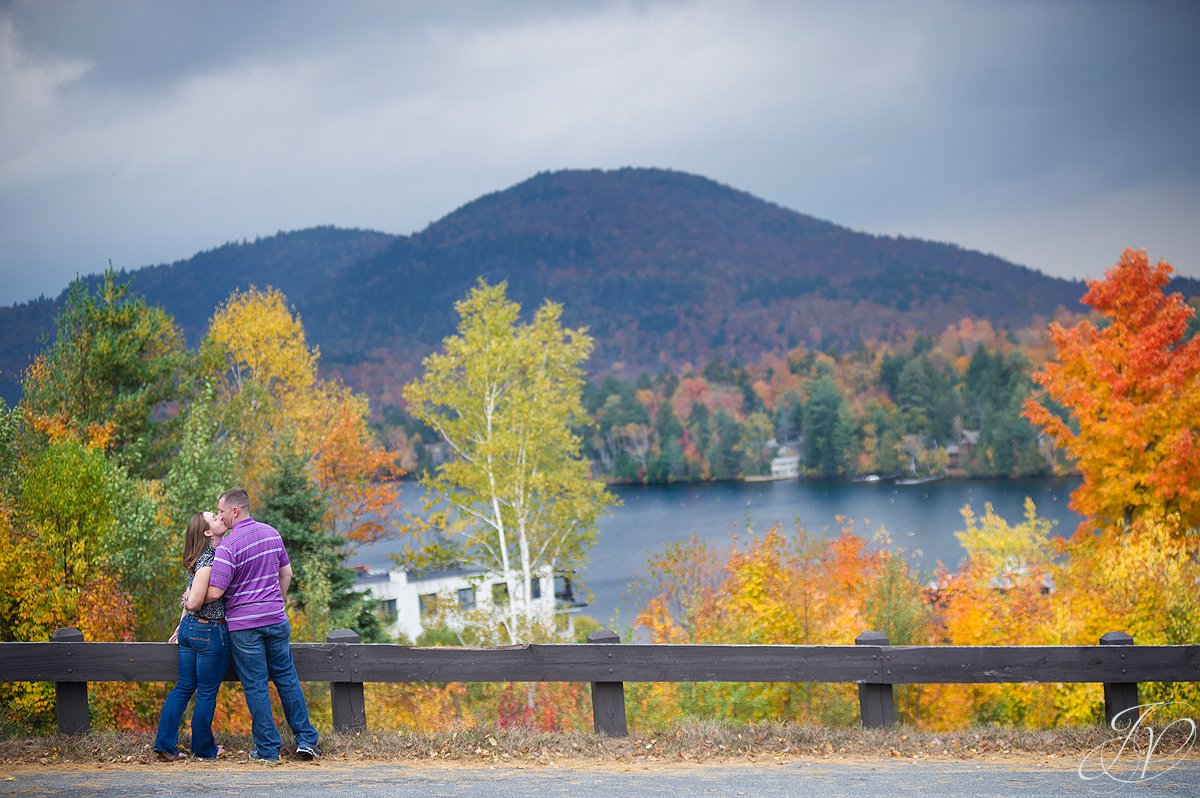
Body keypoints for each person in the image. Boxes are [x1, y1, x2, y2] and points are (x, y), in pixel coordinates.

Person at [205, 486, 320, 763]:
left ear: (235, 510)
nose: (220, 517)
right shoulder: (272, 533)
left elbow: (216, 592)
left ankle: (268, 750)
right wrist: (274, 602)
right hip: (276, 619)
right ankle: (306, 741)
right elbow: (287, 573)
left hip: (244, 627)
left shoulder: (228, 546)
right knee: (287, 678)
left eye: (221, 511)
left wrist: (192, 598)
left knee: (256, 685)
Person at [153, 511, 230, 761]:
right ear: (207, 533)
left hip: (191, 629)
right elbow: (195, 601)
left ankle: (164, 744)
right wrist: (188, 603)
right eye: (214, 519)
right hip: (209, 630)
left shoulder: (197, 557)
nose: (220, 519)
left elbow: (188, 600)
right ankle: (203, 750)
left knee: (184, 687)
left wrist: (181, 624)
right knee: (206, 692)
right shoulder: (209, 559)